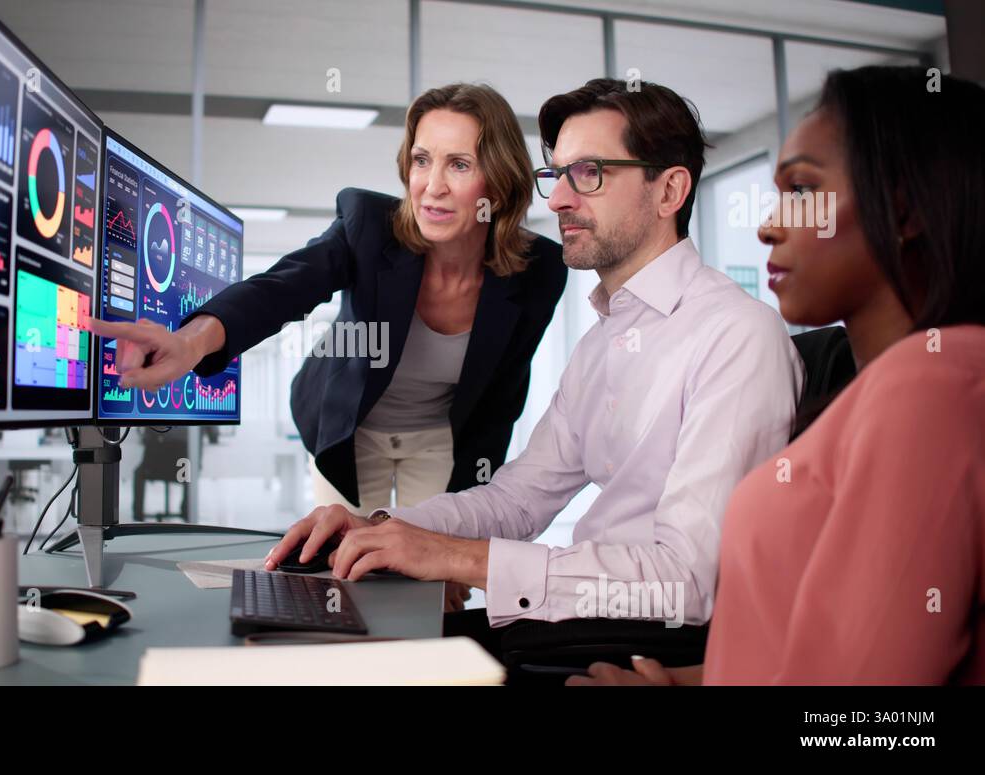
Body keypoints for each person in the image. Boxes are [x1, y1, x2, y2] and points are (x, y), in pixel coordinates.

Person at [265, 77, 802, 654]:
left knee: (371, 657)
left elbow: (686, 584)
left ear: (669, 190)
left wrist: (450, 556)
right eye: (557, 175)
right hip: (581, 625)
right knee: (332, 640)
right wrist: (384, 527)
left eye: (589, 173)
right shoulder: (603, 345)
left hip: (647, 642)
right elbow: (517, 500)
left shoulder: (736, 334)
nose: (558, 200)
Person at [569, 66, 985, 686]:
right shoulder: (882, 394)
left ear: (903, 209)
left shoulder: (933, 389)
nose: (767, 224)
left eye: (801, 189)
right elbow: (807, 654)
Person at [89, 85, 566, 611]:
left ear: (497, 182)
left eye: (458, 165)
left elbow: (501, 399)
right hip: (349, 428)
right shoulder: (369, 228)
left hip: (438, 437)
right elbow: (281, 288)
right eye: (422, 160)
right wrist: (190, 341)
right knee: (344, 578)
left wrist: (463, 550)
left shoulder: (537, 271)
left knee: (432, 594)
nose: (432, 187)